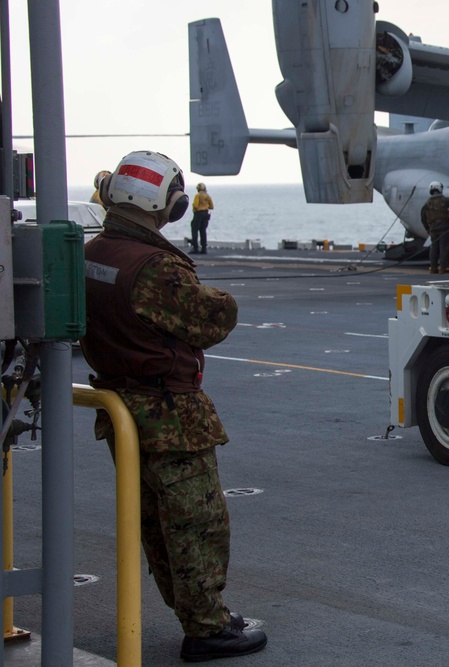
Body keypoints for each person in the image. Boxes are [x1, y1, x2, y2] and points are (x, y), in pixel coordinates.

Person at [79, 151, 267, 662]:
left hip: (119, 407)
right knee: (196, 522)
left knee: (155, 523)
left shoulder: (94, 251)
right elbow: (213, 319)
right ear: (168, 203)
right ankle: (207, 628)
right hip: (169, 414)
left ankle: (196, 615)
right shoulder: (154, 268)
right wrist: (219, 297)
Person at [420, 181, 449, 273]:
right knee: (444, 248)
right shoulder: (444, 200)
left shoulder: (427, 203)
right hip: (443, 228)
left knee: (434, 249)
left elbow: (423, 217)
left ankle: (433, 268)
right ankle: (442, 268)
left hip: (433, 229)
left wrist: (428, 229)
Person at [191, 182, 214, 254]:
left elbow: (195, 205)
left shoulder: (197, 195)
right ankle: (204, 248)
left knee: (194, 230)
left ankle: (195, 248)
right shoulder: (207, 196)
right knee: (203, 231)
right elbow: (211, 207)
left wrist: (196, 209)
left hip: (198, 214)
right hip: (206, 214)